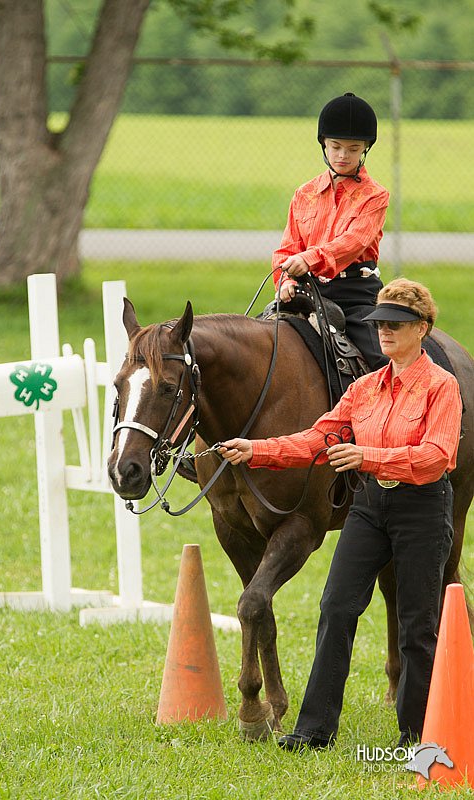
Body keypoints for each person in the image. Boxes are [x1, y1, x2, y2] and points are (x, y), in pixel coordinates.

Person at [219, 279, 462, 751]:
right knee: (336, 606)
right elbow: (316, 439)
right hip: (371, 506)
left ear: (423, 329)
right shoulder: (365, 388)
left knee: (416, 625)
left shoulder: (442, 387)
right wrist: (256, 450)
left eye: (396, 325)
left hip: (422, 508)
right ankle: (314, 729)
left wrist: (368, 457)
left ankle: (415, 735)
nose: (384, 332)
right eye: (380, 324)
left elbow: (436, 456)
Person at [273, 92, 389, 370]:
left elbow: (354, 242)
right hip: (306, 289)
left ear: (365, 149)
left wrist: (308, 259)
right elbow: (287, 249)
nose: (342, 156)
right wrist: (285, 281)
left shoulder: (375, 196)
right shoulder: (305, 193)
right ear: (323, 144)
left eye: (353, 148)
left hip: (355, 294)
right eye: (335, 146)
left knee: (381, 359)